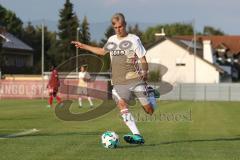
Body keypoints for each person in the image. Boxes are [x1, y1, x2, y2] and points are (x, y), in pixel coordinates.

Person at [71, 13, 157, 144]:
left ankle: (150, 94)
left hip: (135, 79)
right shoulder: (111, 40)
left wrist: (145, 71)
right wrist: (84, 46)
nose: (118, 29)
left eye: (120, 26)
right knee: (121, 104)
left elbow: (142, 58)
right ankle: (137, 135)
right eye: (116, 27)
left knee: (149, 111)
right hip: (118, 82)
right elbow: (102, 51)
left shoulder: (134, 39)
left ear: (125, 25)